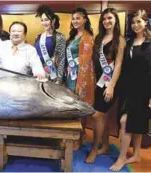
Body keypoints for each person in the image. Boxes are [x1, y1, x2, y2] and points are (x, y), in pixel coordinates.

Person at [110, 9, 151, 171]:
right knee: (135, 124)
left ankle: (122, 157)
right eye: (133, 22)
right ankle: (137, 154)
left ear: (146, 22)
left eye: (139, 21)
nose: (135, 25)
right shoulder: (129, 42)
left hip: (145, 92)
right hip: (128, 90)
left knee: (127, 122)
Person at [85, 8, 126, 163]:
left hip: (111, 83)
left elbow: (119, 64)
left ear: (116, 20)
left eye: (110, 18)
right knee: (102, 115)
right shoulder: (99, 37)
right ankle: (106, 145)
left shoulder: (119, 39)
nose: (107, 21)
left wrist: (111, 86)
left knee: (98, 114)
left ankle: (95, 149)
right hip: (98, 82)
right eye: (104, 19)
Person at [66, 7, 96, 139]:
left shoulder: (88, 37)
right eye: (73, 18)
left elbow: (87, 61)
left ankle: (80, 134)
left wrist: (81, 81)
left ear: (85, 19)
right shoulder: (73, 36)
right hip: (70, 76)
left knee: (80, 106)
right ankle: (72, 134)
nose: (75, 21)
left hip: (80, 77)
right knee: (71, 106)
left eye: (78, 18)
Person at [34, 5, 66, 84]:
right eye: (42, 20)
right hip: (38, 74)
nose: (44, 23)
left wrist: (59, 79)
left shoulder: (60, 37)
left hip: (52, 75)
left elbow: (62, 59)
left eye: (46, 20)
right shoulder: (38, 37)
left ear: (53, 20)